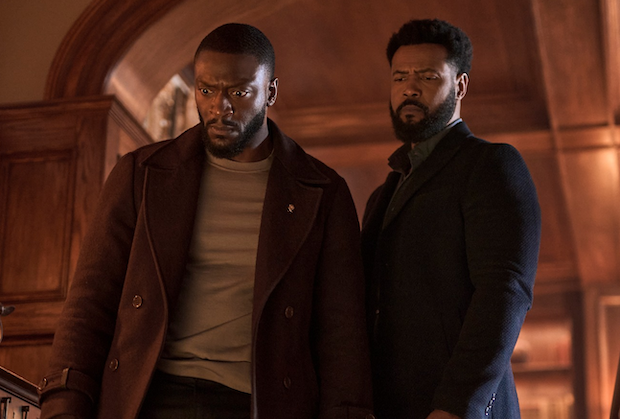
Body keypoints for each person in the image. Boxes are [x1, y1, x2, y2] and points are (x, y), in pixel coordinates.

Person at [39, 23, 374, 419]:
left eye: (239, 92)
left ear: (270, 92)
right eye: (207, 90)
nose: (220, 107)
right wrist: (64, 404)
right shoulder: (142, 174)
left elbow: (341, 332)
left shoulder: (321, 191)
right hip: (148, 397)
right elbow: (91, 300)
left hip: (257, 403)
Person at [361, 19, 541, 419]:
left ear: (460, 86)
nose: (410, 88)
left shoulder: (491, 165)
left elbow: (504, 292)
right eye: (399, 77)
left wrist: (458, 406)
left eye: (427, 76)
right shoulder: (382, 195)